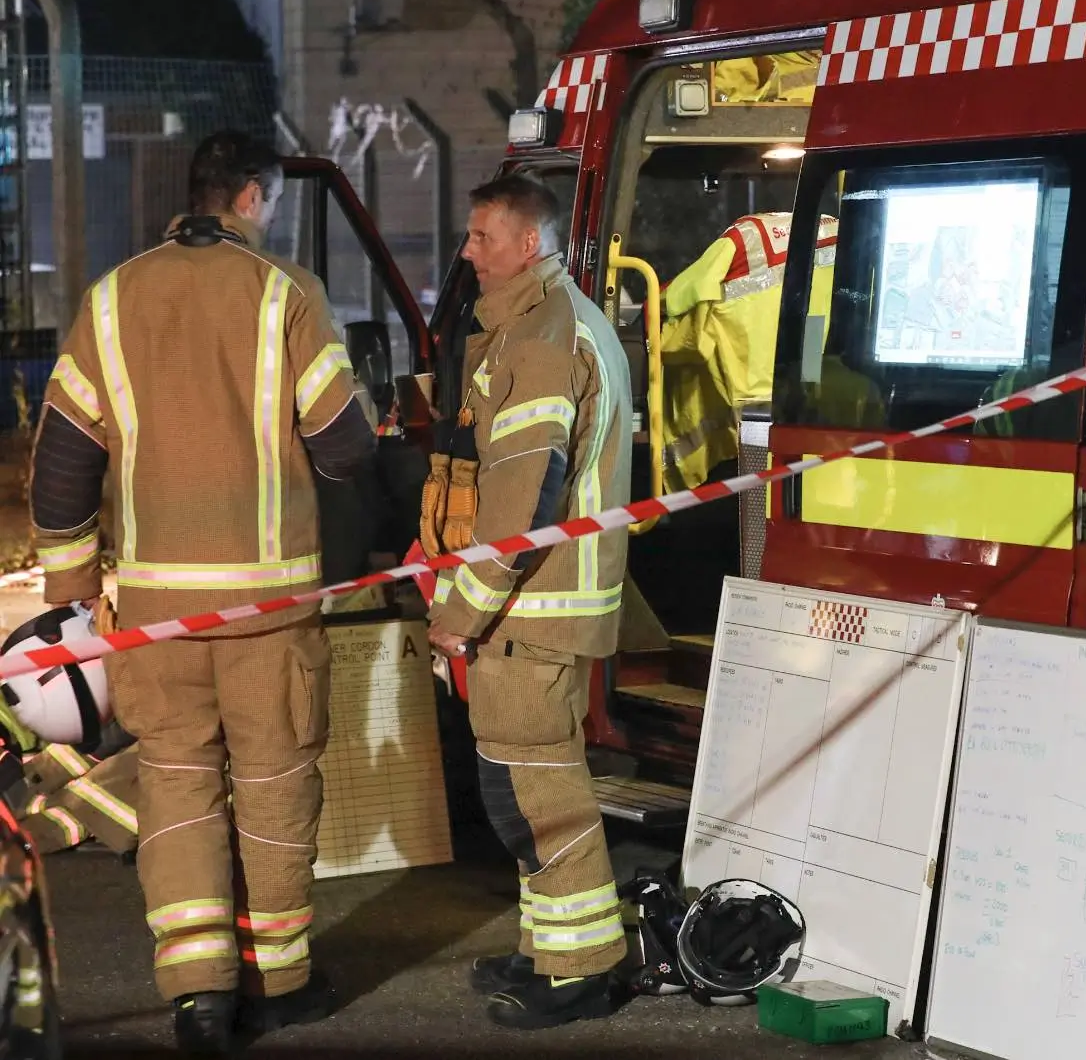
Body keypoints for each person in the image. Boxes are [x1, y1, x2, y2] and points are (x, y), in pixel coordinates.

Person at [28, 130, 376, 1053]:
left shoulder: (111, 300)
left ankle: (198, 996)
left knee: (177, 793)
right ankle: (281, 981)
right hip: (270, 614)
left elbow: (60, 471)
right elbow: (345, 446)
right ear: (255, 198)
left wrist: (72, 594)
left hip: (152, 617)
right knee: (273, 787)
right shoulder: (285, 296)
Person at [425, 174, 633, 1030]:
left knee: (536, 795)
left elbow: (521, 507)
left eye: (480, 237)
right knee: (524, 782)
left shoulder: (544, 340)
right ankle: (548, 946)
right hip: (538, 605)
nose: (466, 252)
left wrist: (457, 613)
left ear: (529, 245)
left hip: (529, 609)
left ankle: (584, 970)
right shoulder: (545, 322)